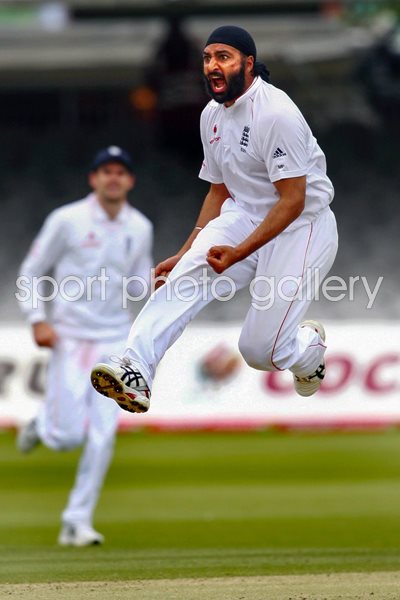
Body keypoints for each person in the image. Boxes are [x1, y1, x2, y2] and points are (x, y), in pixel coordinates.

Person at [90, 26, 338, 415]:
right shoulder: (211, 116)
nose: (212, 66)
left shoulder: (275, 113)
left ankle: (308, 350)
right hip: (242, 215)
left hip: (301, 228)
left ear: (249, 64)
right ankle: (135, 367)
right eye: (207, 58)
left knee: (261, 352)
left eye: (224, 56)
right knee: (184, 276)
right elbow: (218, 193)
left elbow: (292, 201)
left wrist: (239, 252)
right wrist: (186, 251)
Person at [16, 146, 153, 546]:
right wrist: (37, 319)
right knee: (69, 436)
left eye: (121, 172)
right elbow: (31, 271)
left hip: (114, 339)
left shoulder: (139, 226)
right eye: (106, 171)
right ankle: (44, 425)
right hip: (70, 336)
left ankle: (76, 522)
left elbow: (135, 285)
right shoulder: (67, 220)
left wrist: (161, 279)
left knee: (103, 435)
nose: (114, 178)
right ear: (93, 178)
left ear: (131, 180)